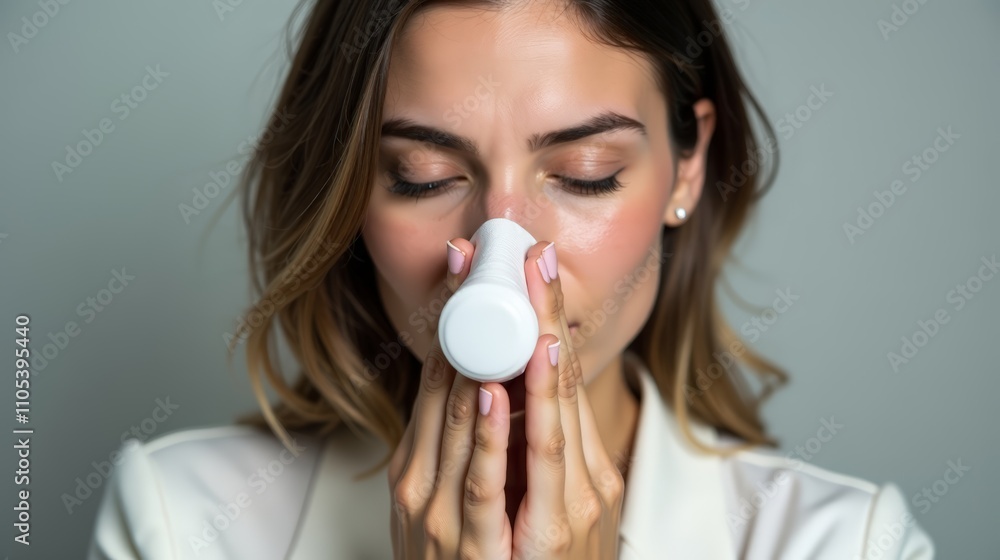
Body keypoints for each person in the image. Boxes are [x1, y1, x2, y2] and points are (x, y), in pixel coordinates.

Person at [88, 0, 936, 558]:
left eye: (586, 171)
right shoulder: (180, 523)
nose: (504, 262)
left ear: (687, 167)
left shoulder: (849, 545)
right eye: (422, 176)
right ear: (349, 195)